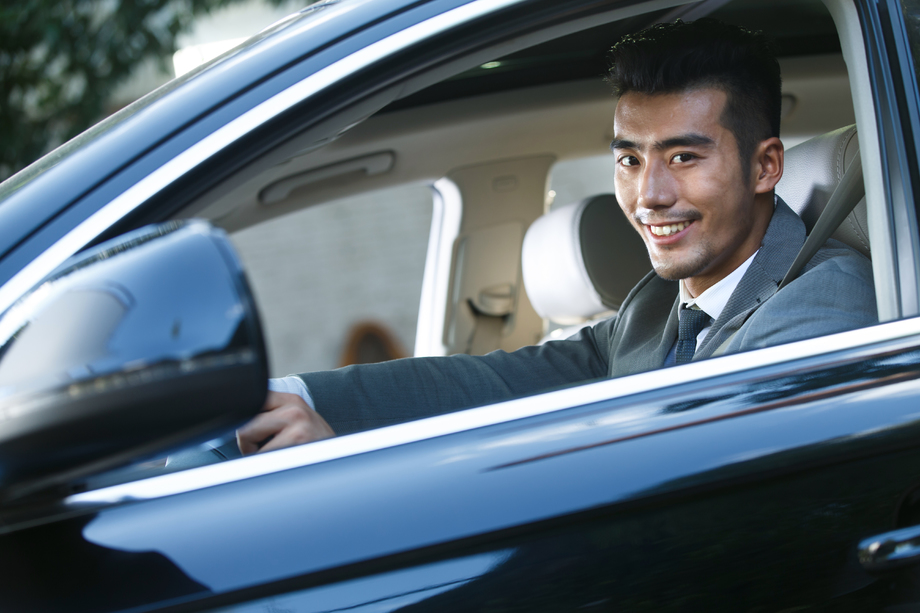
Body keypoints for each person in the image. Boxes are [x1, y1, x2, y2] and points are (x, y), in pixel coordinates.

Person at [236, 19, 877, 455]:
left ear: (765, 167)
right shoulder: (659, 303)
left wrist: (343, 467)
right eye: (630, 159)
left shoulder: (824, 307)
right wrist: (294, 398)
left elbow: (678, 485)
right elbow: (501, 383)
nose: (648, 195)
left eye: (684, 157)